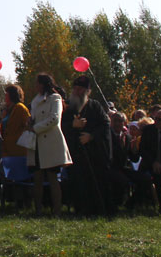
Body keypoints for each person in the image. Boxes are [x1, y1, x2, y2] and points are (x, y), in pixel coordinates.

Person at [61, 75, 112, 216]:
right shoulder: (68, 108)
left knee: (96, 182)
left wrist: (91, 136)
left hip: (94, 154)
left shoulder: (95, 106)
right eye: (75, 89)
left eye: (80, 89)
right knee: (77, 182)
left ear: (88, 91)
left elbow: (105, 125)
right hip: (75, 153)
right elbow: (60, 126)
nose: (77, 92)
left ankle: (97, 209)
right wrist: (72, 125)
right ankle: (80, 209)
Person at [26, 73, 71, 217]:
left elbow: (54, 118)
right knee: (37, 178)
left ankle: (57, 210)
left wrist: (36, 127)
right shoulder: (35, 101)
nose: (35, 86)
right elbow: (34, 117)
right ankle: (38, 209)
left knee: (53, 178)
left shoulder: (55, 98)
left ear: (44, 84)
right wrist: (30, 123)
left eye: (37, 83)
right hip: (37, 143)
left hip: (50, 142)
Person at [1, 84, 30, 159]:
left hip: (18, 150)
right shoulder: (8, 110)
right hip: (7, 150)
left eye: (6, 95)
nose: (5, 98)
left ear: (12, 95)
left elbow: (28, 125)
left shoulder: (20, 108)